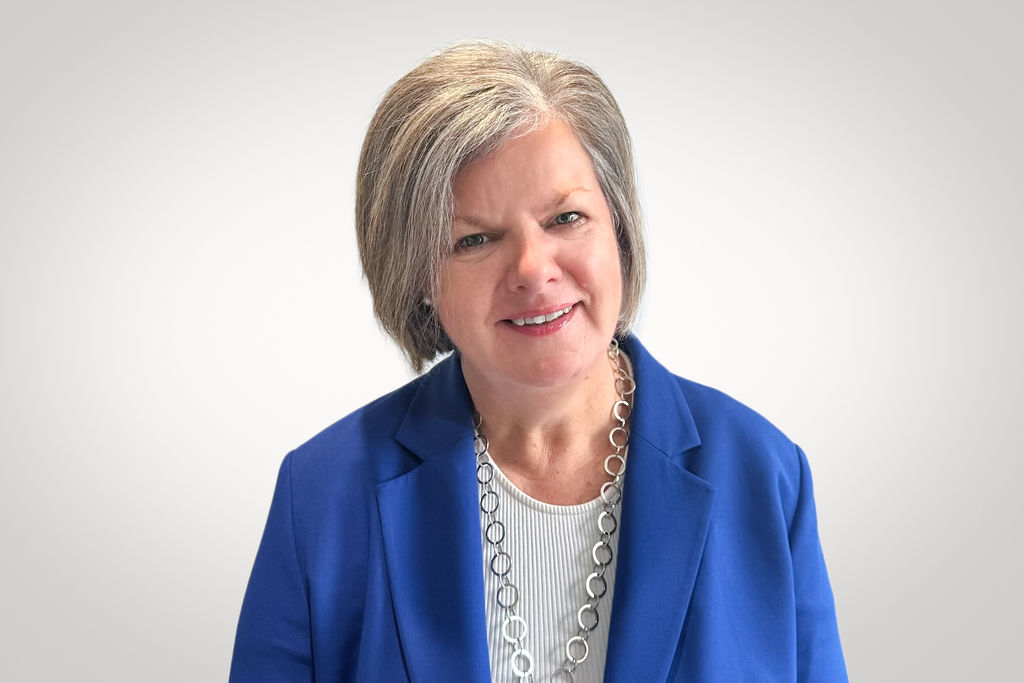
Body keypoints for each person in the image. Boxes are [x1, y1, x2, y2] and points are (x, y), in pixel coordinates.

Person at [229, 40, 847, 682]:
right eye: (474, 238)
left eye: (567, 217)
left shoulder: (763, 473)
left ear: (621, 232)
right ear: (416, 276)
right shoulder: (323, 495)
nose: (532, 269)